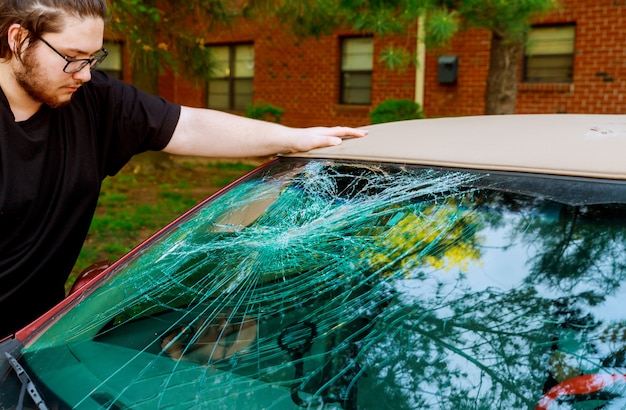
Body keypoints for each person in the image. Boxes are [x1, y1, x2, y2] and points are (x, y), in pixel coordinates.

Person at [0, 0, 367, 338]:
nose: (84, 74)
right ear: (18, 39)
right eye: (73, 56)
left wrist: (292, 138)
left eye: (93, 58)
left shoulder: (93, 100)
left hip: (35, 340)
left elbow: (187, 126)